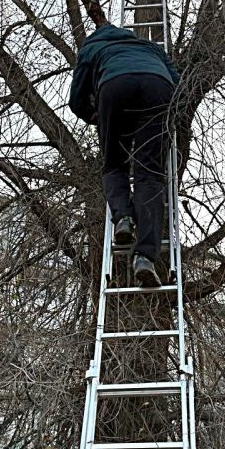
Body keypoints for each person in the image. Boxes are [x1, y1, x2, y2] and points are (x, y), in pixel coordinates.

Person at [68, 22, 179, 287]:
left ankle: (124, 219)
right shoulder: (148, 46)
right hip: (157, 86)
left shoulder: (92, 47)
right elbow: (176, 79)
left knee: (115, 165)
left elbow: (76, 100)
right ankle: (144, 258)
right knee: (149, 173)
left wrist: (96, 117)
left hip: (114, 87)